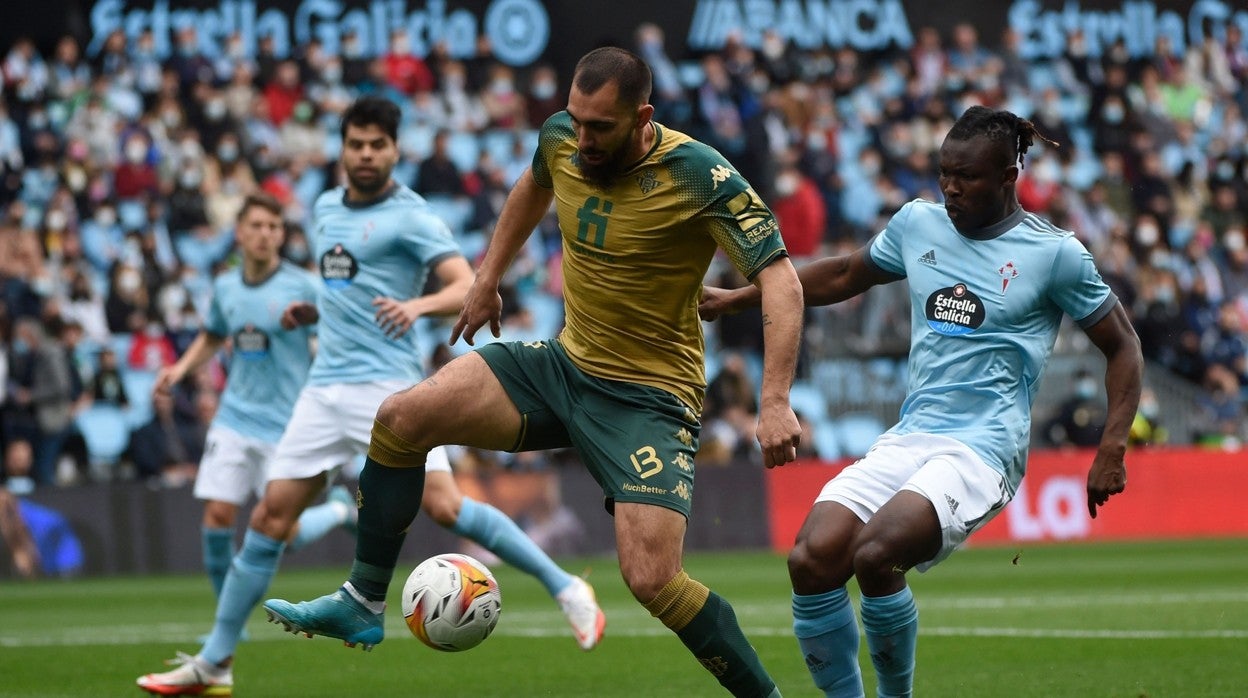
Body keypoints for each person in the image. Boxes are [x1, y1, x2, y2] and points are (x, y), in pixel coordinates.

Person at [263, 48, 804, 697]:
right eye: (575, 120)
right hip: (563, 366)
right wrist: (486, 278)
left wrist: (775, 399)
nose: (582, 138)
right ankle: (363, 600)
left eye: (599, 127)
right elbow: (532, 185)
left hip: (649, 400)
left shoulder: (700, 175)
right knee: (402, 418)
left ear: (642, 118)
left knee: (653, 580)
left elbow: (782, 280)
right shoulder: (561, 138)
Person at [137, 96, 602, 696]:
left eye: (376, 145)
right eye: (355, 144)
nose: (365, 154)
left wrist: (416, 306)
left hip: (387, 390)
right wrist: (316, 310)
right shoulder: (325, 208)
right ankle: (215, 662)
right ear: (342, 148)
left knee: (446, 508)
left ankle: (566, 586)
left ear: (394, 151)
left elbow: (464, 284)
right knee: (269, 518)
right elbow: (345, 287)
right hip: (321, 389)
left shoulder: (412, 217)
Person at [700, 105, 1143, 697]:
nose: (950, 188)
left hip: (983, 450)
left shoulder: (1055, 254)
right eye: (944, 174)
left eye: (967, 177)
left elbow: (1124, 346)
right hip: (912, 436)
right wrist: (738, 298)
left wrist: (1112, 448)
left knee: (876, 554)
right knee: (810, 559)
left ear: (1007, 177)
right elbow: (844, 273)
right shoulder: (917, 223)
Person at [144, 193, 354, 607]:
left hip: (286, 425)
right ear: (239, 233)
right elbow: (213, 335)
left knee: (287, 535)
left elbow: (340, 332)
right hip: (235, 417)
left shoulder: (304, 286)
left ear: (282, 236)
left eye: (273, 227)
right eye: (256, 225)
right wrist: (179, 370)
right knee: (217, 517)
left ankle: (339, 512)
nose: (265, 234)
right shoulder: (225, 287)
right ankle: (229, 618)